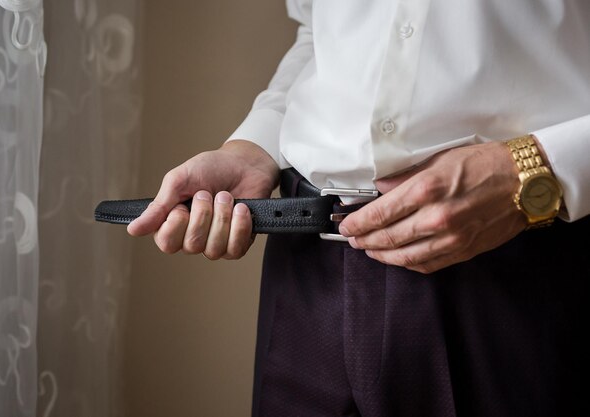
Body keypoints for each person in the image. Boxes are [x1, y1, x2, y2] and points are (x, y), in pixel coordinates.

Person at [128, 1, 590, 416]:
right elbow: (317, 33)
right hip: (308, 276)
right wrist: (256, 146)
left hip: (520, 268)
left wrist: (532, 171)